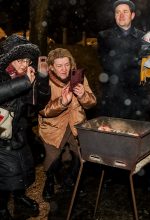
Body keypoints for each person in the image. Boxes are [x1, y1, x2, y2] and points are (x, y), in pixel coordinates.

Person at [0, 34, 51, 219]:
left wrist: (43, 79)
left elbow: (39, 103)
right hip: (2, 135)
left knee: (23, 168)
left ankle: (20, 196)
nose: (24, 64)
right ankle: (2, 206)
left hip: (20, 132)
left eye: (27, 60)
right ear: (10, 60)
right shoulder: (3, 74)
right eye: (20, 60)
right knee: (5, 174)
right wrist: (23, 83)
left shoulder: (27, 76)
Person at [38, 48, 96, 201]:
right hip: (53, 127)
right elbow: (42, 110)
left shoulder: (79, 77)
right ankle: (49, 182)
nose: (64, 69)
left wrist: (83, 95)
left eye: (66, 64)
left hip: (76, 124)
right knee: (53, 159)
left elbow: (92, 103)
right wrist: (62, 103)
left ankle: (72, 182)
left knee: (79, 157)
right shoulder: (44, 81)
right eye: (59, 65)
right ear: (51, 67)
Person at [97, 0, 147, 120]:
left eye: (125, 11)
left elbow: (148, 68)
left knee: (135, 135)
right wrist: (138, 58)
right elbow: (108, 63)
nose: (121, 15)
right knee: (114, 135)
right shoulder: (104, 36)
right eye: (117, 12)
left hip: (137, 98)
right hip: (113, 97)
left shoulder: (144, 37)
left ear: (132, 15)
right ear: (114, 16)